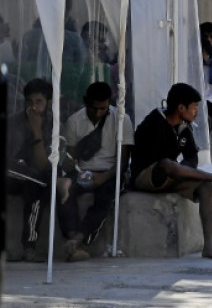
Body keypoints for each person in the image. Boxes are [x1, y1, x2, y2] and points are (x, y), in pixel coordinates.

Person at [130, 83, 212, 259]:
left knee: (204, 186)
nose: (196, 111)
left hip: (172, 175)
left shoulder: (184, 128)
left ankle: (209, 246)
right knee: (168, 164)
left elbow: (192, 159)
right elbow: (160, 164)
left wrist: (185, 169)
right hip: (146, 176)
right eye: (194, 107)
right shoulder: (154, 122)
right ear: (181, 108)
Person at [58, 82, 133, 262]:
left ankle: (78, 240)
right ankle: (72, 241)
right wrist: (70, 161)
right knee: (64, 191)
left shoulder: (122, 119)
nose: (99, 113)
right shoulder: (74, 121)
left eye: (103, 108)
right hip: (82, 170)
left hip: (111, 172)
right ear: (86, 103)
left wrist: (104, 177)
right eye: (94, 108)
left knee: (105, 197)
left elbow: (123, 162)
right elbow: (70, 161)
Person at [5, 79, 60, 262]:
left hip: (32, 179)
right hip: (10, 174)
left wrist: (37, 133)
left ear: (49, 103)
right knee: (41, 180)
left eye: (38, 102)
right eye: (29, 102)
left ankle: (29, 247)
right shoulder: (14, 122)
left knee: (38, 184)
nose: (33, 107)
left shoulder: (54, 126)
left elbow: (44, 165)